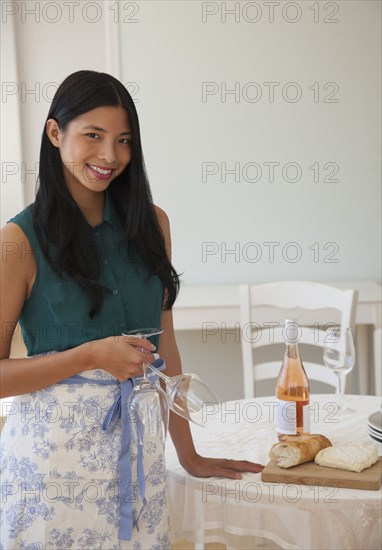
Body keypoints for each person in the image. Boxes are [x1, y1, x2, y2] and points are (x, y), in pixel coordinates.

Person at [0, 70, 263, 549]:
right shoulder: (18, 241)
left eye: (123, 141)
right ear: (55, 133)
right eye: (93, 136)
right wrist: (89, 356)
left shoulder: (152, 225)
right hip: (50, 470)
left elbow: (169, 350)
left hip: (140, 458)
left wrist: (188, 451)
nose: (109, 156)